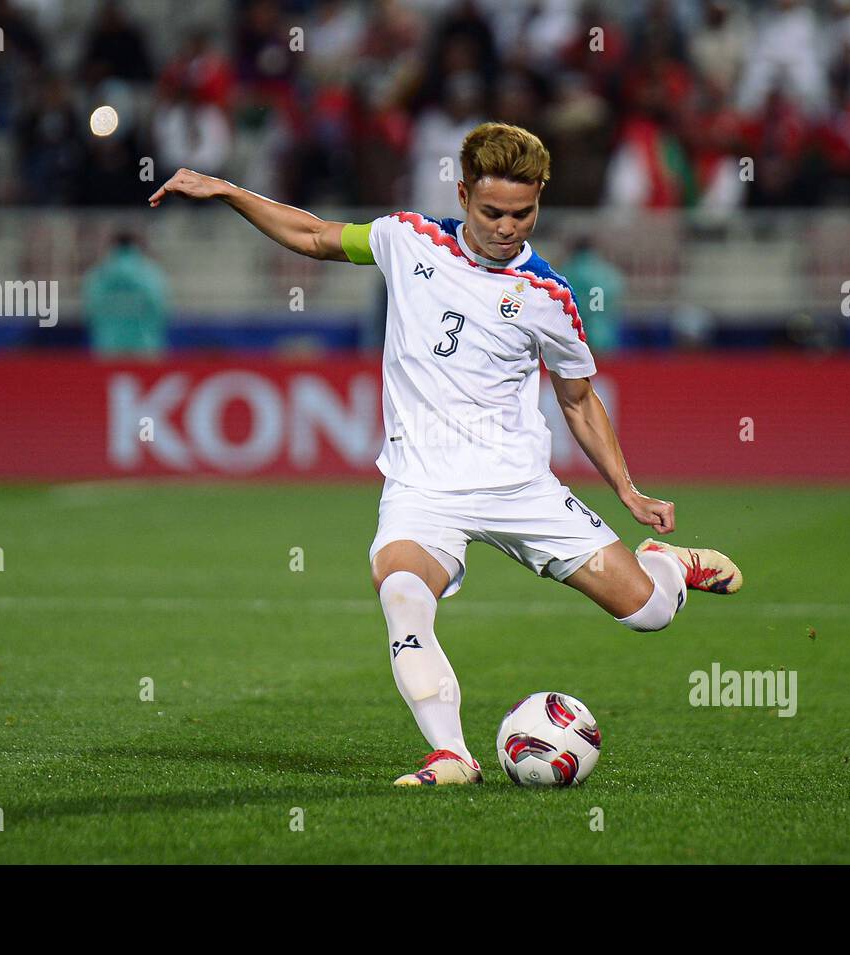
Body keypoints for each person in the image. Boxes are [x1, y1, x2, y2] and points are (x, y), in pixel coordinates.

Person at [148, 122, 743, 787]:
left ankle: (664, 566)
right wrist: (228, 189)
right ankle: (452, 754)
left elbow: (577, 400)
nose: (508, 227)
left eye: (524, 212)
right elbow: (314, 235)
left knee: (649, 612)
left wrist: (629, 491)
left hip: (519, 487)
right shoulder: (407, 240)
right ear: (462, 194)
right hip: (421, 488)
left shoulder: (550, 298)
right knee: (402, 592)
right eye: (492, 211)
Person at [81, 233, 169, 357]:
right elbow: (159, 308)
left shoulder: (98, 275)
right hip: (144, 347)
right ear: (137, 246)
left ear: (112, 246)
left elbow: (91, 309)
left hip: (108, 347)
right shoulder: (150, 274)